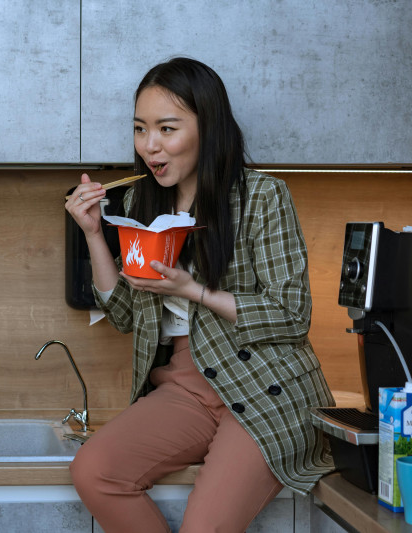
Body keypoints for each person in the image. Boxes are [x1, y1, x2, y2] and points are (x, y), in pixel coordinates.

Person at [65, 57, 334, 532]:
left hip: (260, 383)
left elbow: (293, 315)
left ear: (207, 128)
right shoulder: (140, 204)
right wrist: (92, 234)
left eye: (167, 128)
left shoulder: (262, 197)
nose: (151, 146)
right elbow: (127, 316)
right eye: (140, 129)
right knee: (94, 471)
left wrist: (194, 291)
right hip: (184, 386)